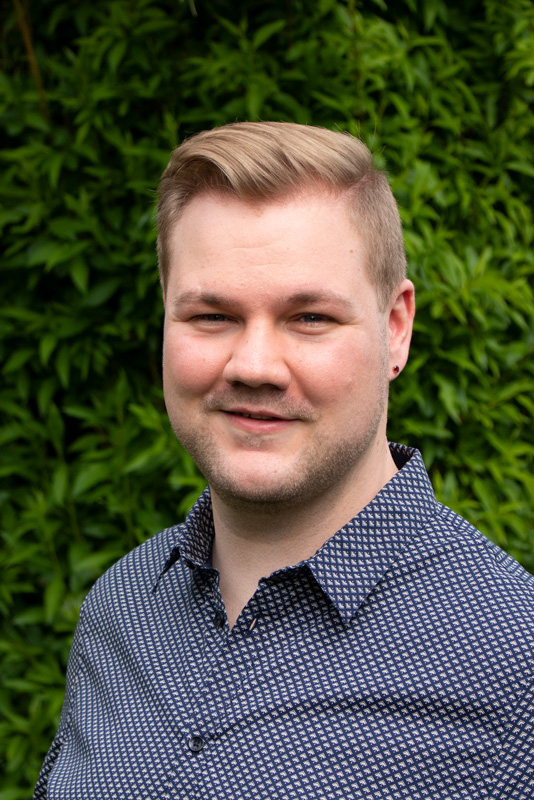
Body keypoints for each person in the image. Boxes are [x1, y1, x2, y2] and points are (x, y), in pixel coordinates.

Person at [34, 122, 534, 799]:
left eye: (310, 318)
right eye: (212, 316)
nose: (255, 366)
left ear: (396, 328)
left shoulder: (513, 663)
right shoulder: (122, 608)